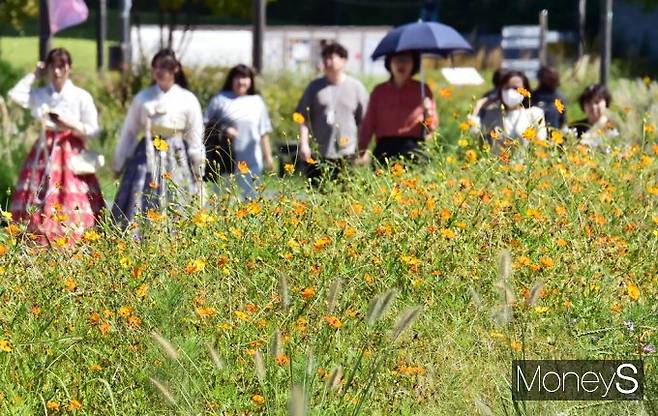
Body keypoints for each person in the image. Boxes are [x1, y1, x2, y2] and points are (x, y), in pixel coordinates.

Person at [7, 48, 103, 245]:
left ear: (69, 68)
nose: (57, 72)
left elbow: (93, 129)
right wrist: (35, 74)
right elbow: (16, 95)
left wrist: (71, 125)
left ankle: (74, 241)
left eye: (61, 67)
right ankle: (37, 239)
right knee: (36, 194)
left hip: (72, 149)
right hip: (44, 150)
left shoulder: (80, 96)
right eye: (53, 67)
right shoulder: (41, 94)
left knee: (76, 195)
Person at [111, 48, 205, 227]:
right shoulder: (143, 98)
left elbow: (195, 135)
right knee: (141, 192)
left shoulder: (188, 99)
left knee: (176, 194)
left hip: (176, 154)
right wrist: (119, 162)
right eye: (156, 67)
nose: (160, 72)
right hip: (146, 152)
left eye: (165, 67)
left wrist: (198, 165)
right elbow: (129, 131)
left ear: (175, 69)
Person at [296, 42, 369, 183]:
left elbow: (364, 122)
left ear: (343, 60)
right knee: (317, 196)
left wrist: (363, 149)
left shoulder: (356, 87)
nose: (328, 62)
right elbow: (302, 118)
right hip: (319, 153)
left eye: (332, 58)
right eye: (325, 58)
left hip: (346, 153)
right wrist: (304, 144)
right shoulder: (314, 87)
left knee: (345, 197)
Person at [204, 64, 273, 199]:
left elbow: (263, 133)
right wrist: (224, 130)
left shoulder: (257, 101)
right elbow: (205, 125)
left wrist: (268, 158)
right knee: (222, 201)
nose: (241, 81)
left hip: (251, 161)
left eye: (245, 78)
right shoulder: (220, 100)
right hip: (224, 162)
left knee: (251, 200)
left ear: (251, 81)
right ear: (231, 79)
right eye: (238, 77)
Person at [357, 50, 437, 166]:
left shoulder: (422, 90)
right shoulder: (379, 91)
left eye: (407, 60)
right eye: (397, 60)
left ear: (414, 63)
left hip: (412, 148)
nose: (401, 64)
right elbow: (369, 123)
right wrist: (362, 150)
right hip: (384, 149)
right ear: (389, 63)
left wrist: (428, 113)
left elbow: (430, 128)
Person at [471, 70, 546, 156]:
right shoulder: (493, 113)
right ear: (501, 90)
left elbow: (541, 143)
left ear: (526, 90)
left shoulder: (534, 113)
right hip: (499, 167)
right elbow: (474, 133)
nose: (510, 92)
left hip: (523, 167)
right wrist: (478, 107)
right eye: (506, 88)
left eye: (515, 88)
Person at [570, 84, 618, 148]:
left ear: (606, 103)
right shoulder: (574, 128)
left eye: (597, 102)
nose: (593, 106)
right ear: (583, 105)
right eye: (588, 102)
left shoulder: (613, 129)